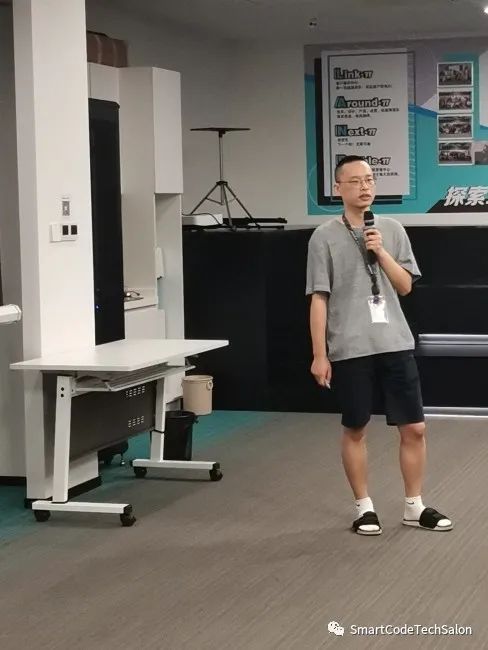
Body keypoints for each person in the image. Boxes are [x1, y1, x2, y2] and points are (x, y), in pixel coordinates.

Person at [306, 155, 452, 536]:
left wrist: (382, 251)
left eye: (369, 179)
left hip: (394, 341)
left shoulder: (391, 229)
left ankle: (414, 505)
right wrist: (320, 354)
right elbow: (319, 297)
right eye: (355, 181)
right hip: (350, 346)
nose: (365, 187)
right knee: (356, 427)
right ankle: (364, 507)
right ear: (338, 188)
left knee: (414, 427)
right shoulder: (323, 236)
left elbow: (404, 286)